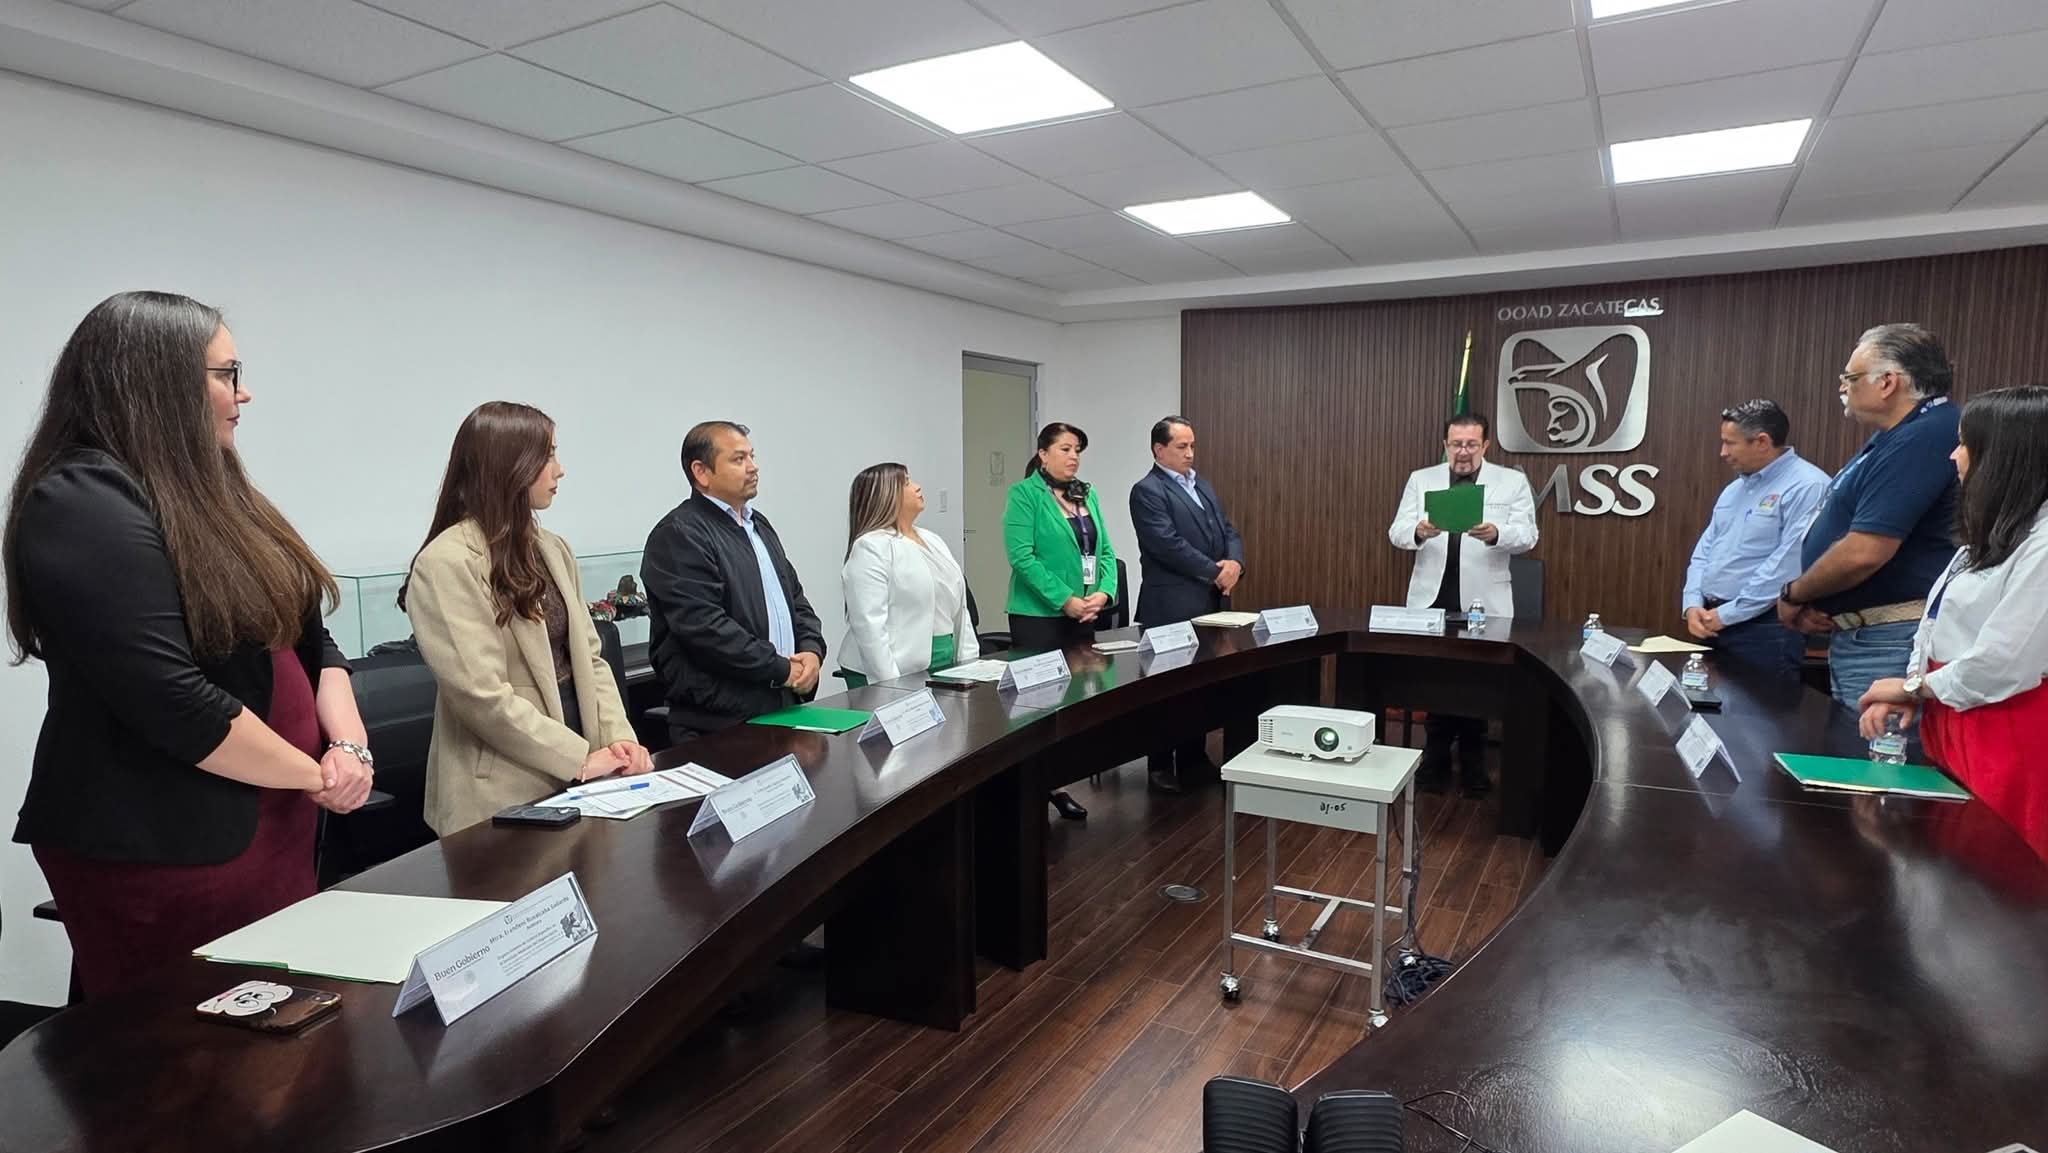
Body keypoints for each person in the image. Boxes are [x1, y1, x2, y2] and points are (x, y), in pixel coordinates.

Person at [3, 292, 374, 999]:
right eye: (226, 373)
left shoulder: (216, 487)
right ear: (158, 381)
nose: (244, 393)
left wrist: (349, 749)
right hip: (166, 839)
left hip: (277, 815)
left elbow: (313, 642)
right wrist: (312, 773)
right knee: (182, 1042)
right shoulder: (82, 498)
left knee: (282, 1024)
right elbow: (173, 699)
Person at [400, 402, 652, 836]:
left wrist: (619, 738)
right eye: (548, 455)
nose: (560, 470)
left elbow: (590, 659)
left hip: (585, 771)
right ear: (509, 465)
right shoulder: (446, 563)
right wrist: (578, 759)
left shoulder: (553, 549)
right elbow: (481, 696)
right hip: (502, 790)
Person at [1859, 384, 2048, 861]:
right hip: (1953, 717)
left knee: (1992, 873)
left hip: (2006, 729)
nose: (1954, 455)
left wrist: (1916, 687)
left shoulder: (2044, 544)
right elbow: (1934, 624)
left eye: (1965, 444)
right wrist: (1915, 687)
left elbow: (2006, 660)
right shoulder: (1989, 537)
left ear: (2005, 457)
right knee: (1941, 865)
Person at [1778, 324, 1960, 712]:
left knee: (1878, 749)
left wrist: (1795, 593)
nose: (1842, 387)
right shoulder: (1901, 434)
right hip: (1870, 634)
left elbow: (1865, 551)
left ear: (1887, 382)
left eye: (1850, 377)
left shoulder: (1923, 437)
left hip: (1890, 639)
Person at [643, 421, 825, 744]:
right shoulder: (679, 534)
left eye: (752, 456)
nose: (753, 467)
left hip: (782, 706)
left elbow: (795, 600)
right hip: (720, 723)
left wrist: (811, 652)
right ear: (701, 472)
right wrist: (781, 669)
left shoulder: (758, 526)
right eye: (739, 459)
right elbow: (706, 629)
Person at [1387, 411, 1538, 795]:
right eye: (1456, 444)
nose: (1464, 452)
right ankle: (1434, 763)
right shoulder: (1422, 479)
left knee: (1477, 685)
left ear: (1485, 445)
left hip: (1484, 601)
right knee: (1435, 682)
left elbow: (1528, 536)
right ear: (1445, 445)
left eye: (1471, 444)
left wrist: (1497, 533)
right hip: (1431, 598)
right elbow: (1396, 532)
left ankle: (1474, 768)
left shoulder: (1511, 481)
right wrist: (1418, 530)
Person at [1005, 421, 1119, 821]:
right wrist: (1064, 600)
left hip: (1084, 613)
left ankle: (1058, 778)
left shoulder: (1087, 494)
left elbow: (1106, 552)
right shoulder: (1024, 495)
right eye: (1065, 449)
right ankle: (1036, 789)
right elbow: (1022, 557)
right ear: (1043, 454)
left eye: (1077, 451)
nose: (1074, 457)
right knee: (1039, 708)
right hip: (1039, 617)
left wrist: (1103, 594)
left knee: (1076, 701)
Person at [1129, 415, 1243, 792]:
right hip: (1170, 606)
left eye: (1192, 445)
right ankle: (1160, 764)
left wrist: (1235, 563)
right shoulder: (1147, 491)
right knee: (1167, 689)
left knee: (1202, 685)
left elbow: (1228, 529)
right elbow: (1167, 544)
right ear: (1159, 450)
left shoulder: (1202, 485)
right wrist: (1215, 571)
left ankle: (1193, 757)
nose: (1190, 453)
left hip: (1209, 602)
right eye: (1181, 447)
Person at [1681, 399, 1831, 673]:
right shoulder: (1734, 490)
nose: (1723, 452)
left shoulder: (1808, 485)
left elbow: (1788, 564)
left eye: (1730, 443)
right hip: (1711, 621)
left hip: (1766, 627)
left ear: (1762, 441)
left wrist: (1728, 614)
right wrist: (1692, 604)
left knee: (1764, 702)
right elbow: (1705, 551)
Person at [839, 462, 978, 687]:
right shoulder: (871, 546)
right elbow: (869, 626)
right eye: (906, 483)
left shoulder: (933, 540)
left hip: (943, 658)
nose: (917, 486)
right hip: (889, 669)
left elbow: (960, 608)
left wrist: (969, 663)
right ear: (885, 496)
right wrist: (889, 685)